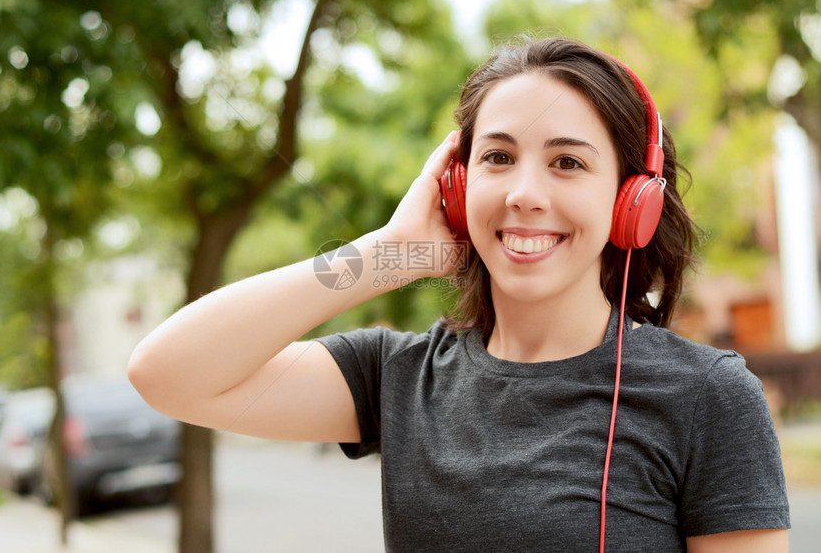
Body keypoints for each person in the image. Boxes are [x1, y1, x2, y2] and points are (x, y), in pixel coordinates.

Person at [128, 36, 790, 552]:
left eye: (567, 162)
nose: (524, 193)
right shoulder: (397, 378)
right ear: (455, 187)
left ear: (631, 201)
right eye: (498, 158)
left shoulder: (708, 397)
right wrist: (392, 253)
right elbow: (167, 373)